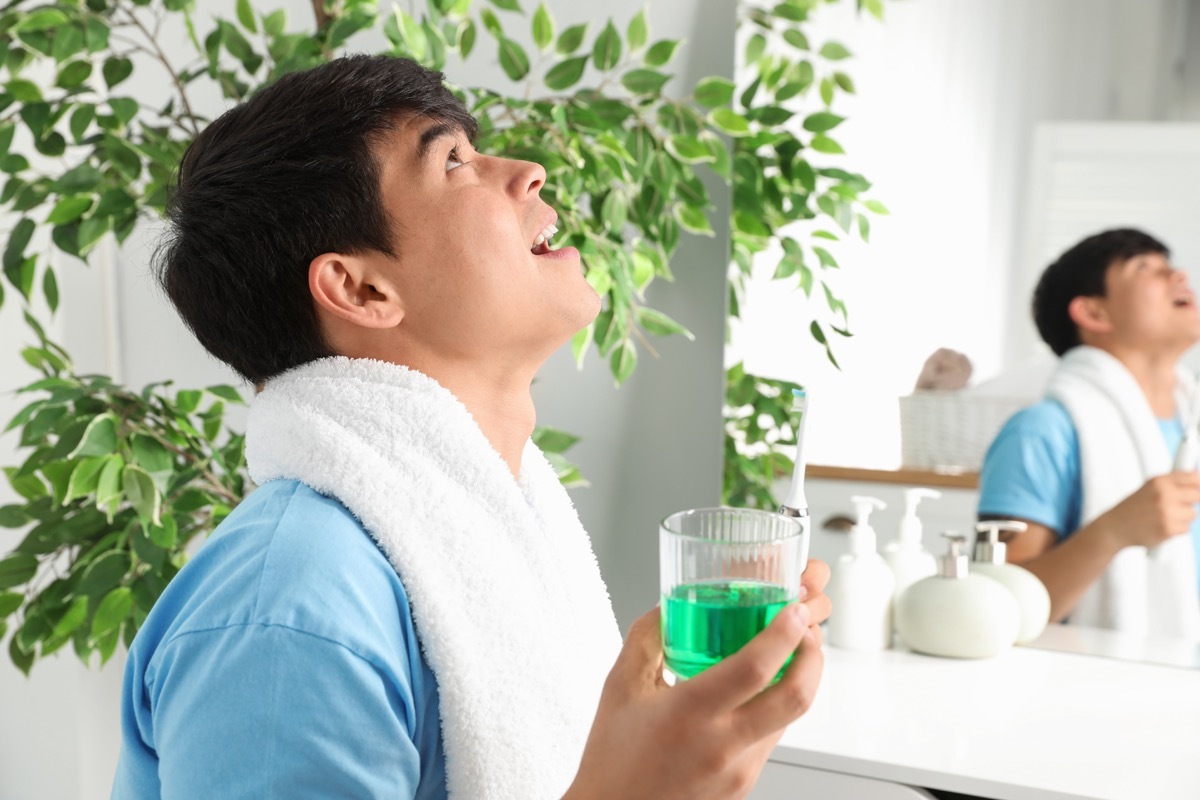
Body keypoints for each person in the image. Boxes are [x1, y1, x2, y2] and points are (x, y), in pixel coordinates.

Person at [110, 55, 831, 799]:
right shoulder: (286, 616)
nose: (529, 171)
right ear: (360, 286)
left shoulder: (491, 525)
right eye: (454, 160)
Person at [978, 228, 1200, 639]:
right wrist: (1112, 532)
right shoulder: (1041, 433)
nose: (1179, 275)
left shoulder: (1191, 423)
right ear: (1095, 313)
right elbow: (999, 608)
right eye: (1148, 268)